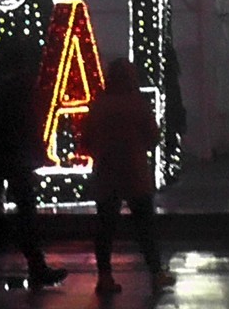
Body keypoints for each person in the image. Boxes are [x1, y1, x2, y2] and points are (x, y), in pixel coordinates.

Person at [0, 39, 65, 293]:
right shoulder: (22, 83)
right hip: (15, 155)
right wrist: (38, 152)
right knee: (25, 213)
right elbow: (28, 120)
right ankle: (35, 266)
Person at [79, 57, 172, 295]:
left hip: (106, 172)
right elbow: (152, 137)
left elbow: (85, 140)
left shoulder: (98, 104)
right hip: (134, 173)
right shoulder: (137, 103)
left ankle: (105, 277)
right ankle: (156, 272)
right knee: (145, 226)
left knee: (105, 229)